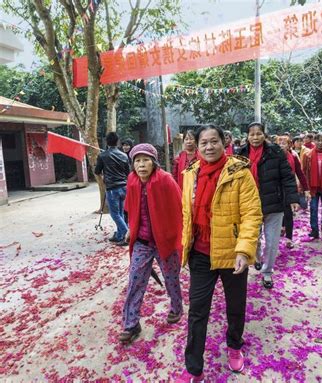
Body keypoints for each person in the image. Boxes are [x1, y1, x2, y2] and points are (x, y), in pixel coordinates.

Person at [177, 125, 262, 382]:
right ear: (197, 145)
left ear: (224, 143)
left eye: (214, 141)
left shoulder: (239, 172)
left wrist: (244, 250)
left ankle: (234, 345)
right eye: (204, 142)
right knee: (197, 311)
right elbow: (186, 214)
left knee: (235, 307)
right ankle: (194, 367)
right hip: (201, 254)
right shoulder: (190, 173)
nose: (209, 147)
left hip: (231, 253)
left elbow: (251, 213)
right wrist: (184, 246)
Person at [119, 144, 183, 344]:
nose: (141, 165)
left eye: (145, 160)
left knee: (171, 278)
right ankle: (131, 324)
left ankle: (176, 308)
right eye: (137, 161)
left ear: (153, 162)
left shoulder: (166, 180)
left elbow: (179, 208)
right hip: (142, 242)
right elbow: (130, 206)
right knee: (135, 282)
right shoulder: (131, 180)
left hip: (165, 241)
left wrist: (178, 237)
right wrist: (131, 228)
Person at [238, 122, 299, 289]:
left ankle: (267, 272)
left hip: (274, 204)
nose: (255, 137)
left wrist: (293, 198)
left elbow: (287, 176)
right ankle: (256, 257)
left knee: (272, 242)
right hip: (250, 205)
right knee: (254, 238)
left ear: (264, 135)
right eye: (252, 134)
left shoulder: (275, 151)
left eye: (259, 134)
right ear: (247, 136)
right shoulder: (240, 154)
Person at [94, 132, 130, 245]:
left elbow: (97, 171)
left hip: (112, 188)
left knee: (115, 214)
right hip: (124, 187)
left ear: (106, 142)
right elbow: (128, 173)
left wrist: (104, 178)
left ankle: (127, 234)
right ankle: (119, 235)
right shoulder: (124, 155)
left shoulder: (103, 155)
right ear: (117, 141)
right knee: (121, 213)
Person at [278, 136, 310, 248]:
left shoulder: (293, 156)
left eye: (284, 143)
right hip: (275, 190)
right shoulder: (272, 157)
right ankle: (281, 229)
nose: (281, 145)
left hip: (289, 189)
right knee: (277, 213)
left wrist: (306, 189)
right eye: (279, 143)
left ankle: (289, 238)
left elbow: (300, 173)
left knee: (288, 213)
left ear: (289, 145)